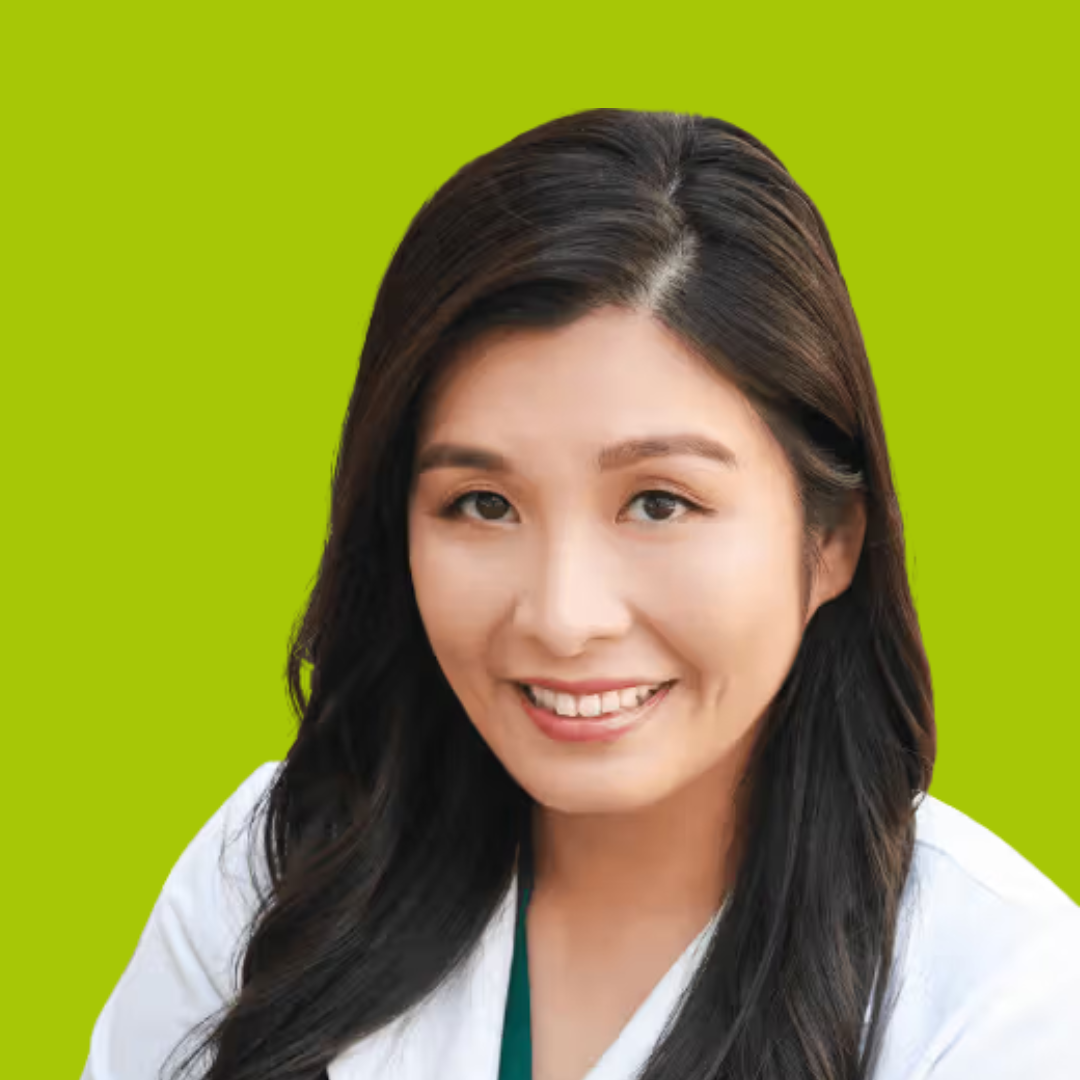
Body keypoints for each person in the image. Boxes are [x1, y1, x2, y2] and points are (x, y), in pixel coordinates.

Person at [81, 108, 1080, 1080]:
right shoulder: (273, 872)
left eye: (658, 503)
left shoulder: (1003, 998)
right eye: (482, 504)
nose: (562, 617)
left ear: (831, 541)